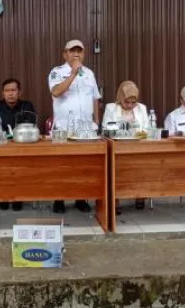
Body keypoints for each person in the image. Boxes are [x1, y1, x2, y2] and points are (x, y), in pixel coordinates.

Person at [48, 39, 101, 214]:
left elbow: (95, 98)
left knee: (83, 165)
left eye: (79, 51)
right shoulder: (56, 72)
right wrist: (72, 74)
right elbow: (56, 91)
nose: (76, 54)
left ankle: (81, 198)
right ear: (65, 54)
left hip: (85, 129)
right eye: (72, 51)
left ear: (84, 54)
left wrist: (97, 122)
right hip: (64, 129)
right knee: (61, 166)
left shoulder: (89, 73)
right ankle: (59, 199)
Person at [0, 78, 36, 212]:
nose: (10, 93)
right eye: (7, 91)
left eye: (13, 90)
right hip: (0, 149)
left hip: (22, 149)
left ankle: (17, 197)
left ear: (19, 92)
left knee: (20, 165)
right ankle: (4, 196)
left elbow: (30, 127)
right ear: (3, 93)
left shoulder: (27, 106)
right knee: (1, 166)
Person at [103, 81, 149, 214]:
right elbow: (105, 128)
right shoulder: (111, 108)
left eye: (133, 102)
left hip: (137, 147)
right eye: (127, 102)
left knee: (141, 168)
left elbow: (146, 128)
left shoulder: (142, 108)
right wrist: (120, 128)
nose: (130, 105)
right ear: (120, 99)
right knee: (115, 171)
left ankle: (139, 195)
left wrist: (138, 131)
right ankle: (115, 200)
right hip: (117, 147)